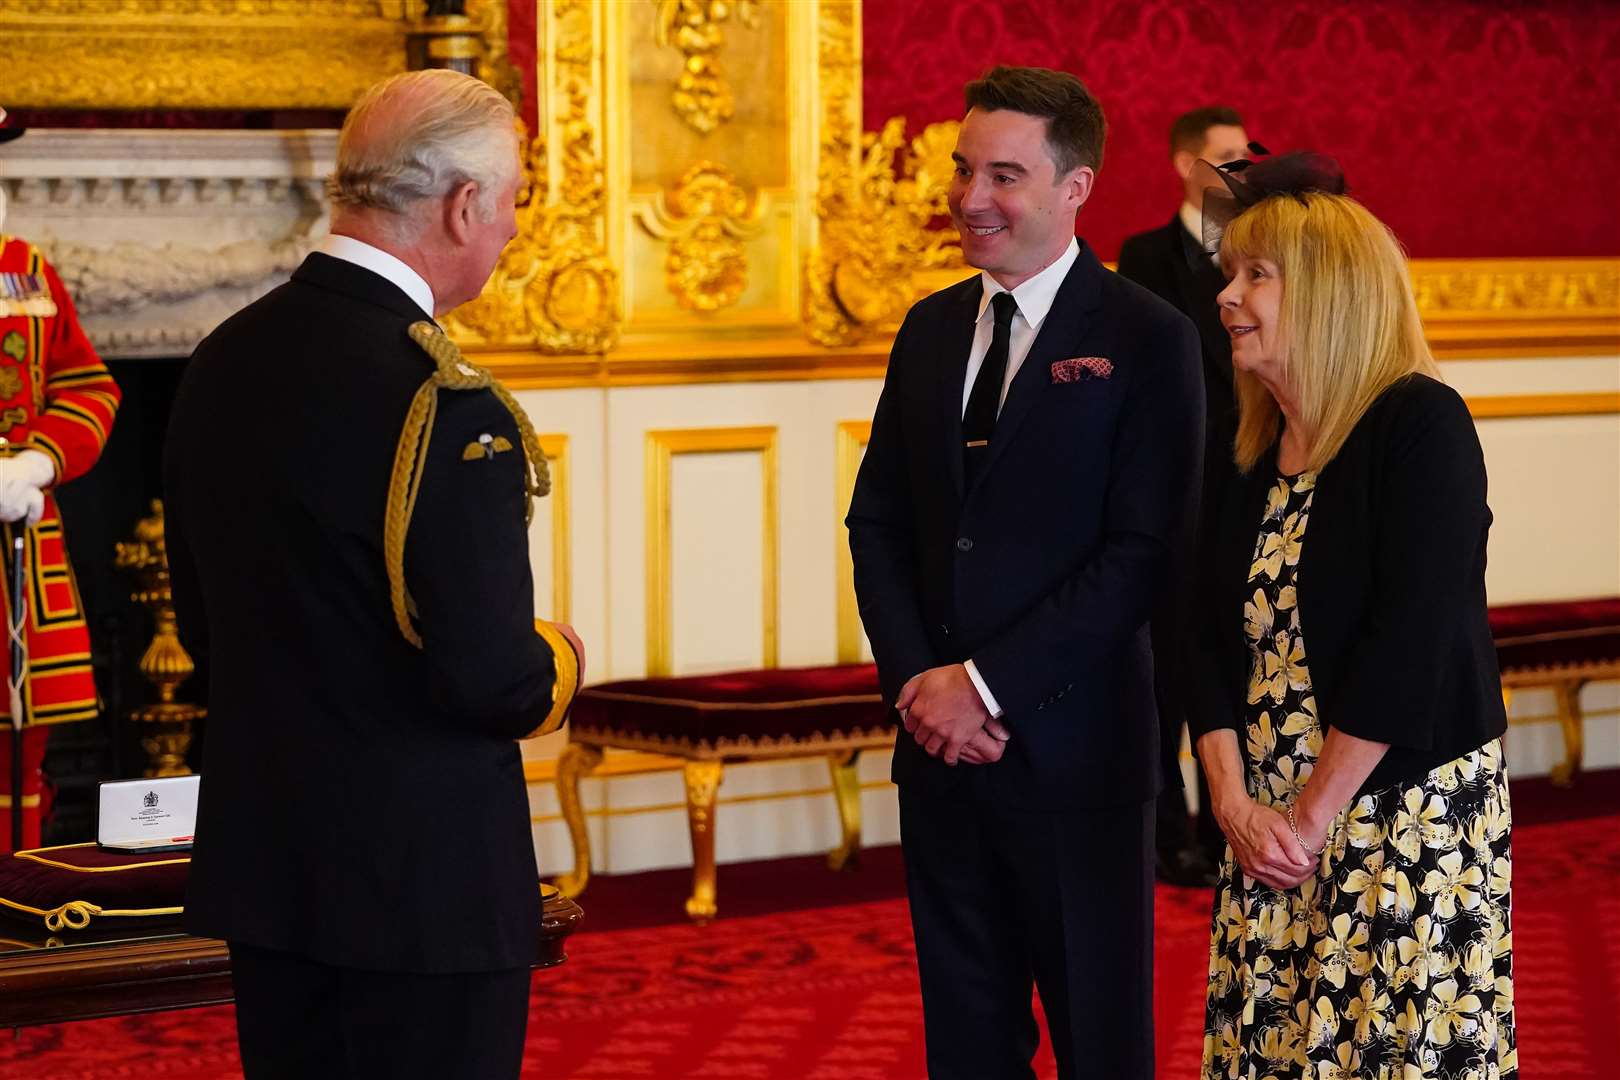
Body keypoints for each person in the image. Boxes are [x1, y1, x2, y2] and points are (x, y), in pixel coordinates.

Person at [164, 70, 583, 1080]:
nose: (516, 226)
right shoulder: (444, 399)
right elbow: (489, 677)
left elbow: (202, 627)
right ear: (464, 203)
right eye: (517, 198)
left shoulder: (221, 358)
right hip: (420, 886)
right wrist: (556, 660)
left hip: (271, 863)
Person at [846, 65, 1203, 1080]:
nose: (970, 198)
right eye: (965, 169)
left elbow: (1143, 556)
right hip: (941, 755)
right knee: (964, 1040)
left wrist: (985, 687)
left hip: (1077, 759)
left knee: (1100, 1038)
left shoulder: (1148, 337)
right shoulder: (927, 329)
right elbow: (877, 522)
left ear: (1075, 187)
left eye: (1004, 175)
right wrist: (922, 688)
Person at [1187, 153, 1516, 1079]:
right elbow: (1200, 637)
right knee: (1277, 1050)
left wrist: (1310, 817)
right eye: (1228, 276)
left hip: (1399, 813)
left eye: (1257, 275)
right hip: (1267, 823)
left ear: (1331, 293)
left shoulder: (1420, 424)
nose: (1228, 298)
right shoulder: (1246, 447)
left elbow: (1410, 640)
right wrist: (1235, 805)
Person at [1118, 106, 1251, 888]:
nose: (1242, 171)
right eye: (1227, 158)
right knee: (1170, 674)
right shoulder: (1147, 257)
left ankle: (1234, 820)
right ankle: (1171, 837)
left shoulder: (1261, 252)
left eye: (1246, 157)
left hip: (1248, 489)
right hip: (1179, 498)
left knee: (1234, 672)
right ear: (1186, 166)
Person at [0, 107, 122, 852]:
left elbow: (88, 385)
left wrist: (38, 460)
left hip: (21, 561)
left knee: (20, 766)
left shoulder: (25, 268)